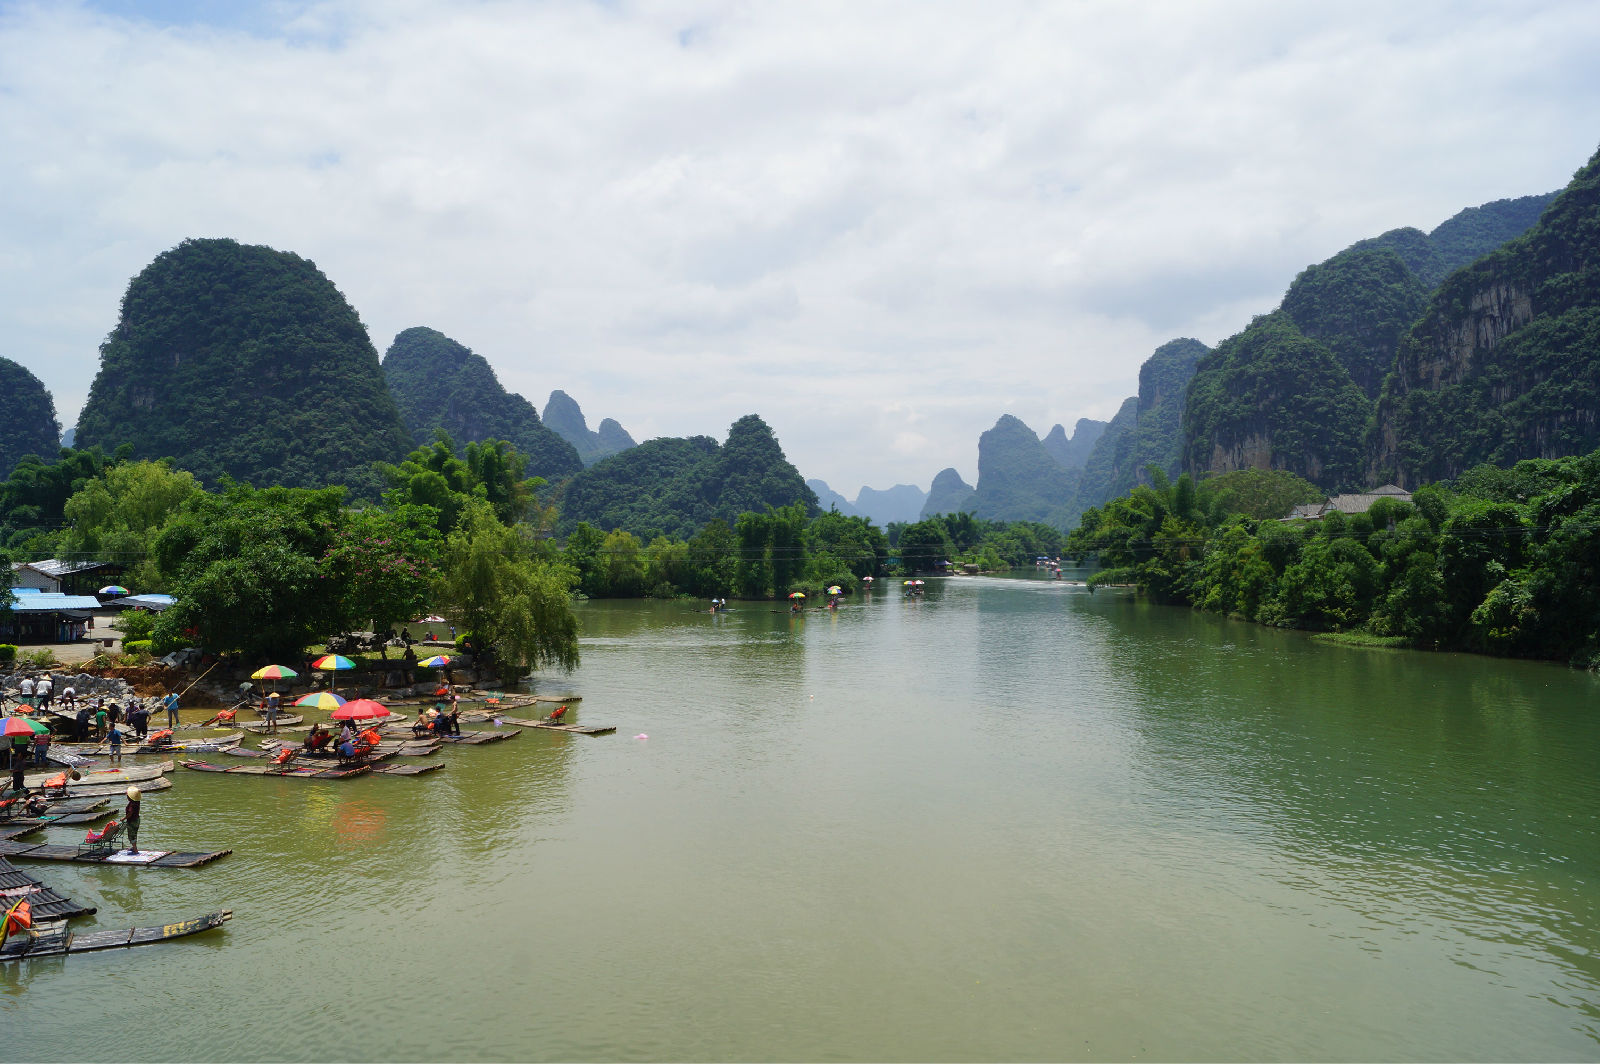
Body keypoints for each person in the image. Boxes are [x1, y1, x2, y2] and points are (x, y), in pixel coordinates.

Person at [124, 785, 141, 854]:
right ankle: (134, 847)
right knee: (134, 834)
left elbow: (130, 813)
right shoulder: (137, 801)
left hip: (132, 821)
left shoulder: (131, 804)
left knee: (131, 835)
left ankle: (135, 850)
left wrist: (124, 818)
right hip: (137, 820)